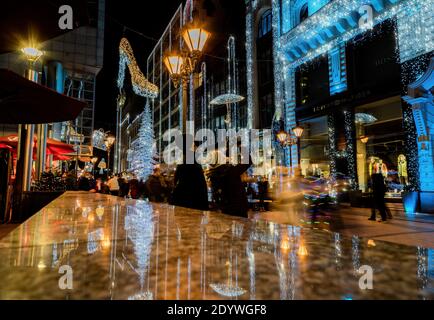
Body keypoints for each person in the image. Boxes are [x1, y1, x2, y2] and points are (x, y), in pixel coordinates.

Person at [171, 134, 209, 211]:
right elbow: (200, 185)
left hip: (185, 203)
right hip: (192, 204)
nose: (195, 145)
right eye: (192, 143)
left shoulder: (186, 160)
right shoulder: (191, 160)